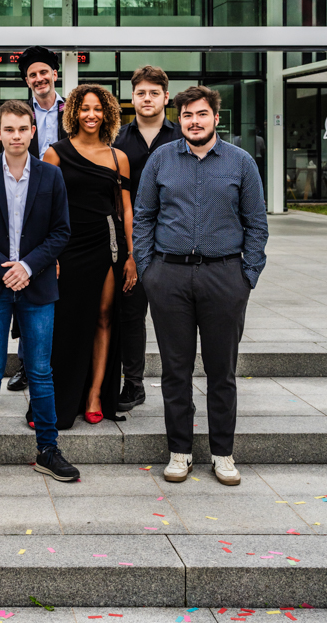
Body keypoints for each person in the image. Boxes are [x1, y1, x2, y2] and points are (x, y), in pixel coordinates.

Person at [133, 85, 269, 487]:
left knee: (221, 371)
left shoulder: (241, 162)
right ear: (180, 119)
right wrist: (148, 271)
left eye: (202, 114)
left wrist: (247, 276)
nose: (195, 121)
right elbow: (143, 216)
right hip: (169, 277)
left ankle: (223, 454)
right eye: (188, 115)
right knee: (175, 370)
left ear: (216, 118)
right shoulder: (161, 159)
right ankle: (180, 451)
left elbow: (257, 224)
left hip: (224, 277)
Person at [0, 99, 79, 484]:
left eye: (22, 129)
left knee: (41, 370)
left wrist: (26, 267)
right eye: (9, 129)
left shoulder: (51, 176)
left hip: (37, 283)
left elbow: (61, 231)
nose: (16, 136)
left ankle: (48, 449)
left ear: (33, 131)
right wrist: (5, 269)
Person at [43, 84, 136, 429]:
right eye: (85, 108)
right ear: (74, 113)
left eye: (98, 109)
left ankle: (95, 394)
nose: (91, 115)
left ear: (107, 113)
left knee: (104, 317)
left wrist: (132, 255)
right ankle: (59, 398)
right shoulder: (55, 154)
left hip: (107, 245)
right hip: (67, 246)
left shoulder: (118, 157)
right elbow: (45, 208)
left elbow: (126, 210)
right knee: (66, 322)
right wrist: (48, 254)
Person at [114, 66, 180, 413]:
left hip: (175, 243)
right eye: (141, 93)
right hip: (132, 244)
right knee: (130, 316)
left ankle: (177, 385)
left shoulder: (183, 135)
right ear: (132, 97)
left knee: (174, 320)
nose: (147, 98)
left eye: (154, 93)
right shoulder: (117, 140)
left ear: (166, 97)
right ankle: (134, 384)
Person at [7, 45, 67, 393]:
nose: (39, 78)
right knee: (25, 284)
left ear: (54, 74)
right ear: (27, 81)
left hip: (64, 203)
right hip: (26, 207)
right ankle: (27, 365)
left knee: (58, 291)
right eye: (32, 75)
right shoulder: (19, 114)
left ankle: (57, 362)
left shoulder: (71, 111)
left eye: (44, 72)